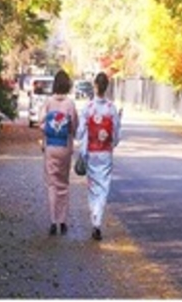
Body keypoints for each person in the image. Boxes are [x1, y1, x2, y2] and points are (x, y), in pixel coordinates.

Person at [76, 72, 121, 241]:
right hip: (105, 152)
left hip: (91, 152)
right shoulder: (111, 108)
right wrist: (113, 143)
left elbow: (80, 133)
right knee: (104, 188)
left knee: (93, 187)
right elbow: (116, 131)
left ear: (95, 86)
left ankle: (94, 218)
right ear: (107, 87)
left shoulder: (88, 108)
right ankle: (97, 221)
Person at [40, 69, 78, 235]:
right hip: (65, 147)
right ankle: (63, 221)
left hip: (50, 147)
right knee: (63, 184)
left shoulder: (48, 103)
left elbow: (41, 123)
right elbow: (74, 126)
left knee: (52, 184)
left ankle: (52, 221)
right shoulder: (70, 104)